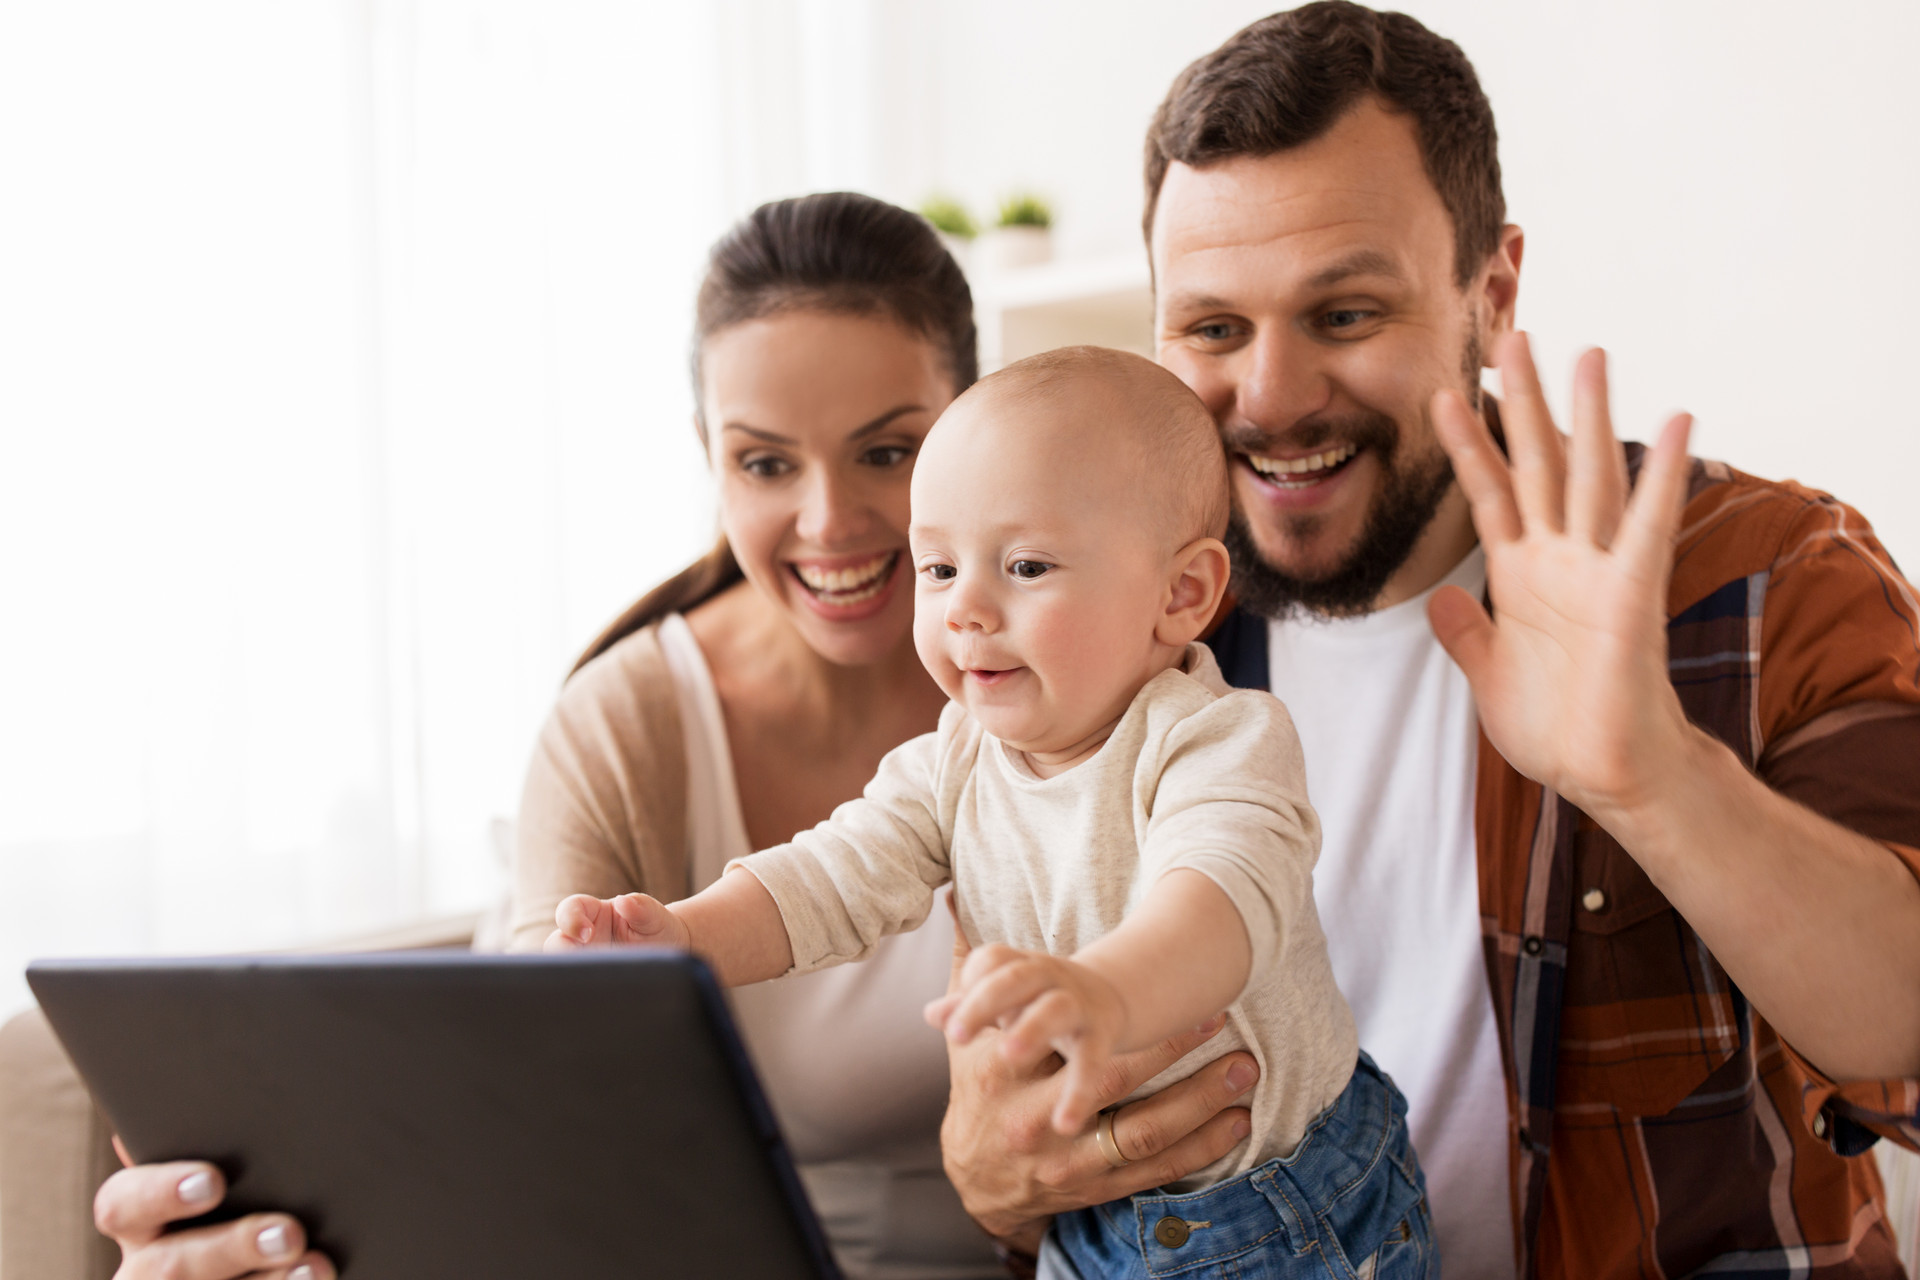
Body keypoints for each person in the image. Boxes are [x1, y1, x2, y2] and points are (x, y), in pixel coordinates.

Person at [89, 195, 1266, 1280]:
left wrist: (1021, 1196)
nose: (831, 521)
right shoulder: (626, 727)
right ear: (709, 458)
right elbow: (525, 1127)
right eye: (763, 461)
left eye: (887, 450)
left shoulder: (1136, 673)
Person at [937, 5, 1920, 1277]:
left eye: (1345, 314)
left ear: (1491, 288)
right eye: (1215, 329)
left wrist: (1657, 778)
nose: (1275, 398)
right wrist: (992, 1169)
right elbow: (1022, 1134)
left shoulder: (1764, 574)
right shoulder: (1086, 628)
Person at [551, 346, 1432, 1278]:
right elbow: (824, 882)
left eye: (1025, 564)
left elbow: (1220, 905)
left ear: (1182, 594)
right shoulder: (953, 762)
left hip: (1288, 1211)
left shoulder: (1218, 739)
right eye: (936, 567)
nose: (965, 607)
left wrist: (1105, 996)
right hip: (1089, 1216)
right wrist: (680, 938)